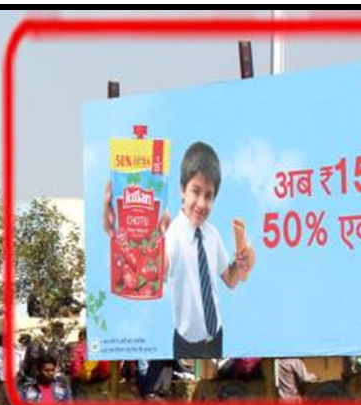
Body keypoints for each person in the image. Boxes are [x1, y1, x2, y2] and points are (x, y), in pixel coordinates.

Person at [107, 141, 257, 360]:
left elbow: (231, 279)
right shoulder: (173, 235)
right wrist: (145, 238)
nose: (201, 203)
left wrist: (242, 264)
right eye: (195, 191)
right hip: (187, 346)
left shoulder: (212, 234)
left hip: (217, 336)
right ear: (182, 190)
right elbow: (159, 266)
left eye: (209, 195)